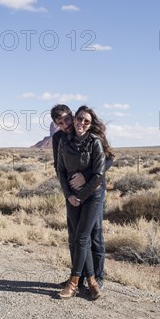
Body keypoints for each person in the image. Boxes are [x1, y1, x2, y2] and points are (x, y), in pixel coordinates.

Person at [50, 105, 112, 291]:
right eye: (60, 122)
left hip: (94, 189)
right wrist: (68, 191)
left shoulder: (91, 132)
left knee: (94, 234)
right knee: (74, 235)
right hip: (72, 192)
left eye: (67, 119)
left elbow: (109, 159)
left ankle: (97, 278)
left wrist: (85, 175)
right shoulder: (58, 138)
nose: (65, 124)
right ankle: (78, 276)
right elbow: (58, 166)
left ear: (73, 116)